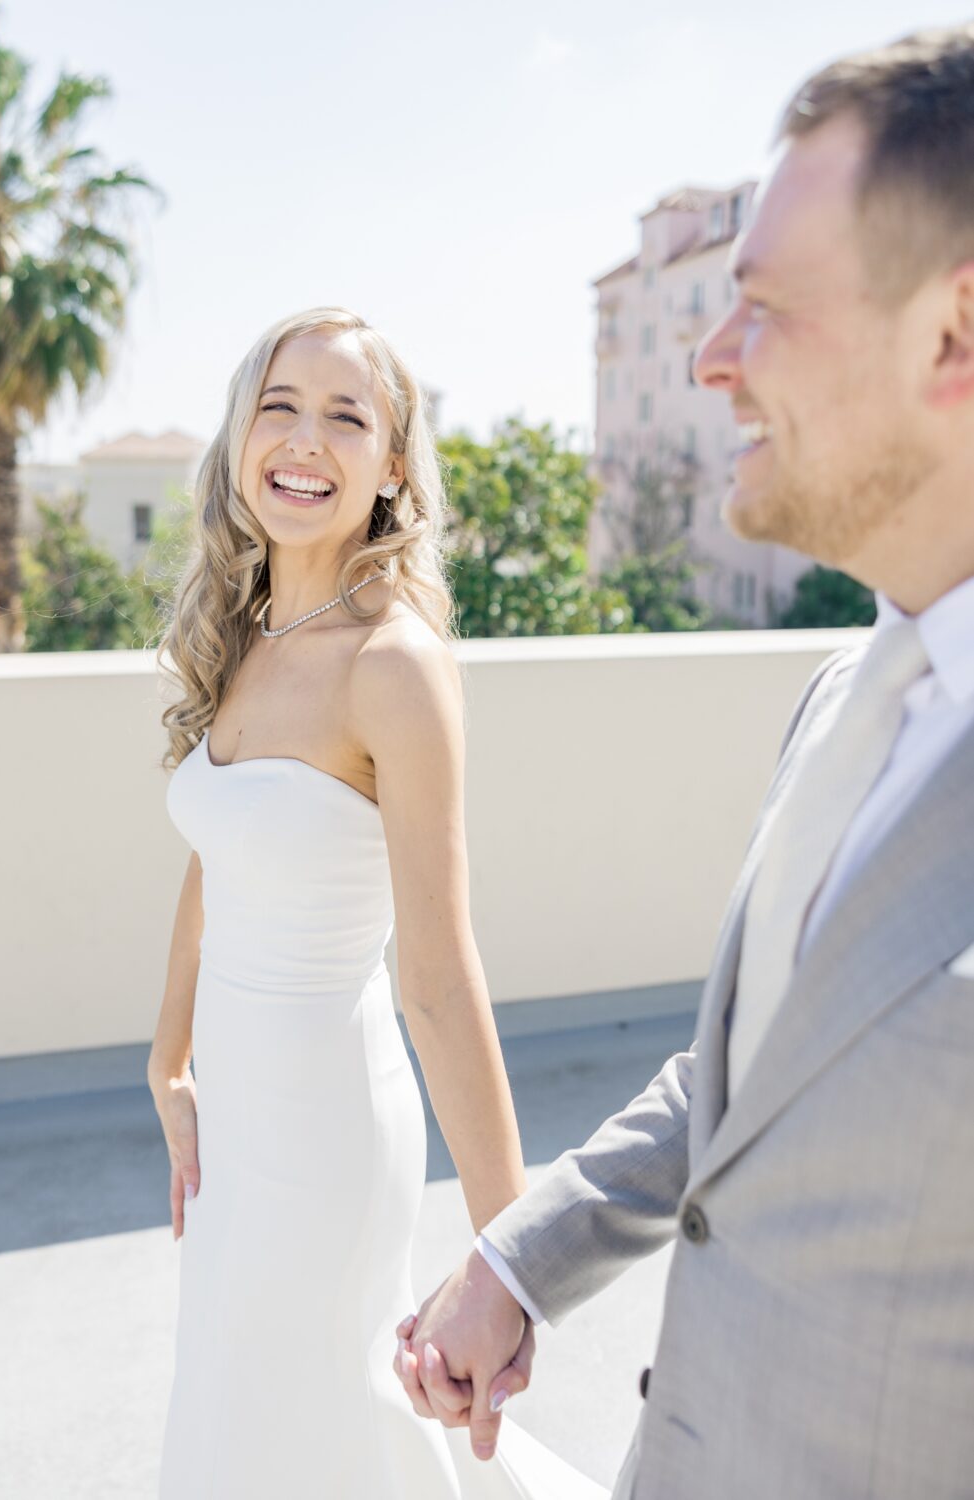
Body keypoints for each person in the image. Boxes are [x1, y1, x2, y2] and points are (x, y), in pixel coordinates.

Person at [394, 25, 974, 1500]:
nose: (712, 360)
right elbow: (758, 1077)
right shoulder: (847, 695)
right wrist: (521, 1260)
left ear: (953, 336)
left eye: (763, 309)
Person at [148, 305, 606, 1497]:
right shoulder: (246, 632)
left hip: (323, 1133)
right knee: (242, 1421)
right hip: (233, 1133)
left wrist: (515, 1259)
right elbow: (221, 852)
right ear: (243, 436)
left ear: (392, 465)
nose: (305, 440)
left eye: (345, 416)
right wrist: (169, 1058)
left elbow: (441, 978)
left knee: (328, 1434)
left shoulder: (391, 664)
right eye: (279, 406)